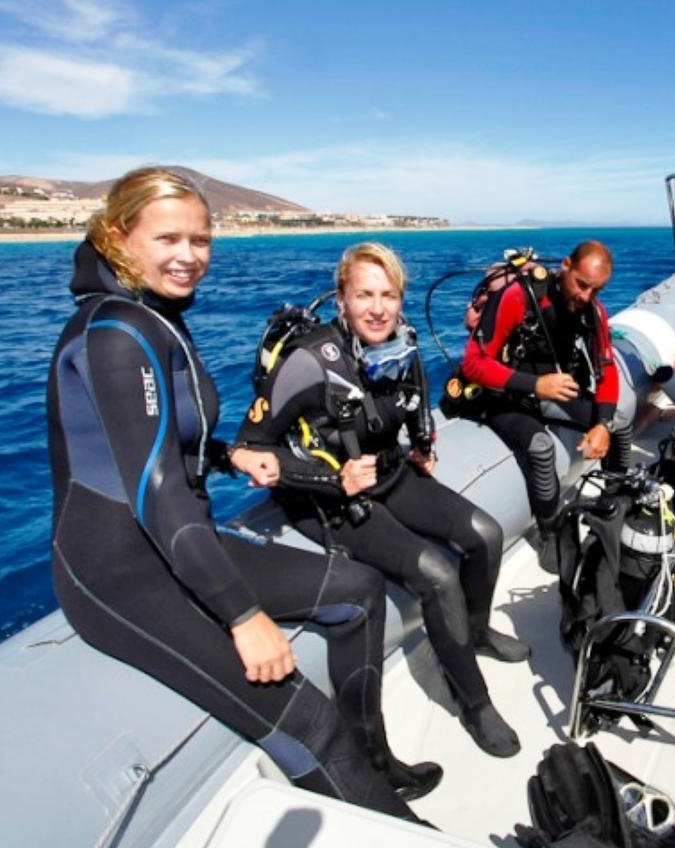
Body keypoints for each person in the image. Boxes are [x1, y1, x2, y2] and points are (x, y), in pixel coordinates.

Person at [46, 168, 439, 821]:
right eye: (168, 237)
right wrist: (242, 616)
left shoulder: (152, 313)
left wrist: (228, 453)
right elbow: (156, 490)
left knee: (359, 592)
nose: (189, 255)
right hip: (121, 572)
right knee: (308, 722)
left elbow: (157, 442)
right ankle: (401, 831)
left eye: (200, 238)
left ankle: (373, 765)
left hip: (170, 538)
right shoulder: (117, 332)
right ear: (119, 235)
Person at [235, 242, 526, 758]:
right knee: (436, 574)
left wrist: (425, 445)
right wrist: (330, 479)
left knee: (485, 535)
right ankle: (474, 701)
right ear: (342, 299)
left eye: (388, 295)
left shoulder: (402, 339)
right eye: (363, 295)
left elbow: (413, 399)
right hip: (325, 499)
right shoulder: (309, 361)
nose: (377, 308)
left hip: (390, 474)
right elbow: (247, 450)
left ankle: (473, 632)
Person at [459, 240, 633, 572]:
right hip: (500, 395)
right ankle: (548, 533)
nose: (585, 296)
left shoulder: (592, 309)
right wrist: (535, 385)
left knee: (619, 423)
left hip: (549, 392)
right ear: (565, 265)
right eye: (581, 284)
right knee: (540, 447)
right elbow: (473, 364)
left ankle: (615, 504)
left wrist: (602, 424)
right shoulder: (519, 297)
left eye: (595, 290)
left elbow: (607, 368)